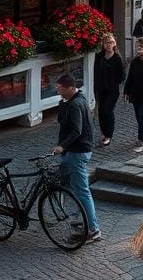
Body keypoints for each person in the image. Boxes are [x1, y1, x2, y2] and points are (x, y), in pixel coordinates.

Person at [52, 73, 101, 244]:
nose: (58, 92)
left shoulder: (75, 105)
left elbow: (76, 131)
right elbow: (62, 120)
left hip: (77, 152)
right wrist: (61, 104)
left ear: (70, 88)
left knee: (82, 190)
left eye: (60, 89)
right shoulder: (76, 100)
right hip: (78, 151)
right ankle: (81, 220)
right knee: (75, 187)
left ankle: (93, 230)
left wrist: (62, 146)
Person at [93, 33, 124, 147]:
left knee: (107, 110)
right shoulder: (99, 56)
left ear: (114, 44)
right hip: (101, 89)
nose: (109, 45)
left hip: (112, 90)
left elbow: (121, 76)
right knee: (101, 112)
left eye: (111, 42)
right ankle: (104, 134)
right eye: (106, 43)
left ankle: (109, 135)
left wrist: (112, 80)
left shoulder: (117, 58)